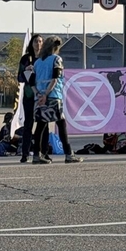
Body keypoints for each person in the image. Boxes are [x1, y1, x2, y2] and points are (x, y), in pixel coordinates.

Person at [33, 36, 84, 164]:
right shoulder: (57, 60)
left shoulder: (37, 62)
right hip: (53, 96)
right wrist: (46, 94)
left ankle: (36, 155)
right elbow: (55, 79)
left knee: (40, 126)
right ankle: (68, 154)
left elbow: (32, 81)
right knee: (61, 125)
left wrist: (39, 95)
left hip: (39, 97)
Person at [16, 33, 43, 163]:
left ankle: (43, 152)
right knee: (28, 124)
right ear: (31, 43)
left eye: (40, 41)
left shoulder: (45, 58)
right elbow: (19, 78)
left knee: (43, 124)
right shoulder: (26, 58)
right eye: (36, 41)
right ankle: (25, 153)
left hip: (42, 95)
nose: (38, 44)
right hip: (29, 94)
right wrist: (25, 70)